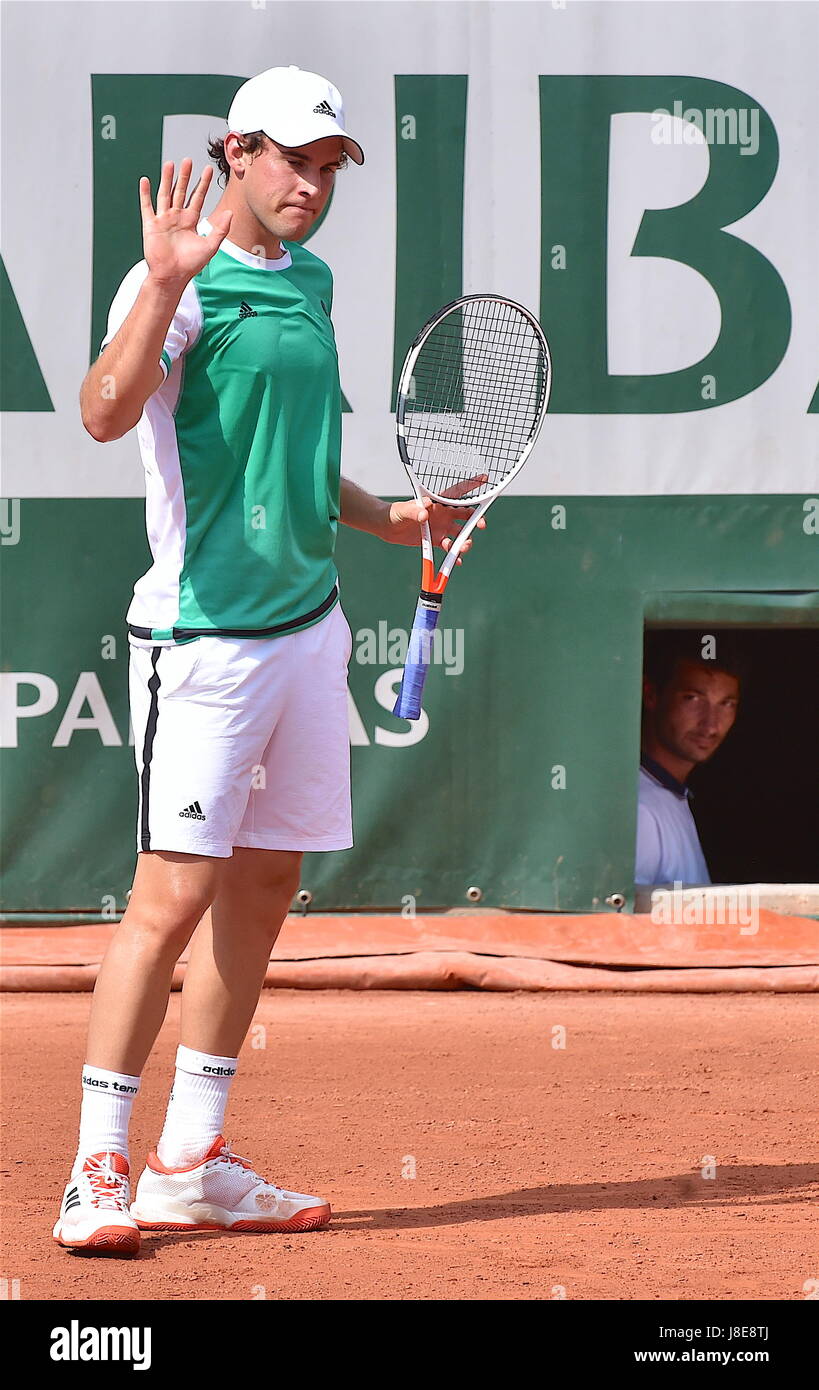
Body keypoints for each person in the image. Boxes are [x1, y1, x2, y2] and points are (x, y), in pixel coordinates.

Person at [54, 65, 482, 1256]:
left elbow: (296, 462)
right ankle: (98, 1167)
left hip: (309, 630)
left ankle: (191, 1157)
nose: (311, 184)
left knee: (263, 886)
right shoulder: (173, 285)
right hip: (201, 642)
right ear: (235, 154)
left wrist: (391, 518)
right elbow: (100, 411)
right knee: (171, 896)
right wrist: (164, 287)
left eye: (330, 165)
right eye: (292, 159)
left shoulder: (316, 283)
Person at [635, 632, 742, 887]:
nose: (711, 724)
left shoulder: (669, 795)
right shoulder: (639, 808)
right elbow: (613, 923)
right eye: (693, 698)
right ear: (651, 694)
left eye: (726, 704)